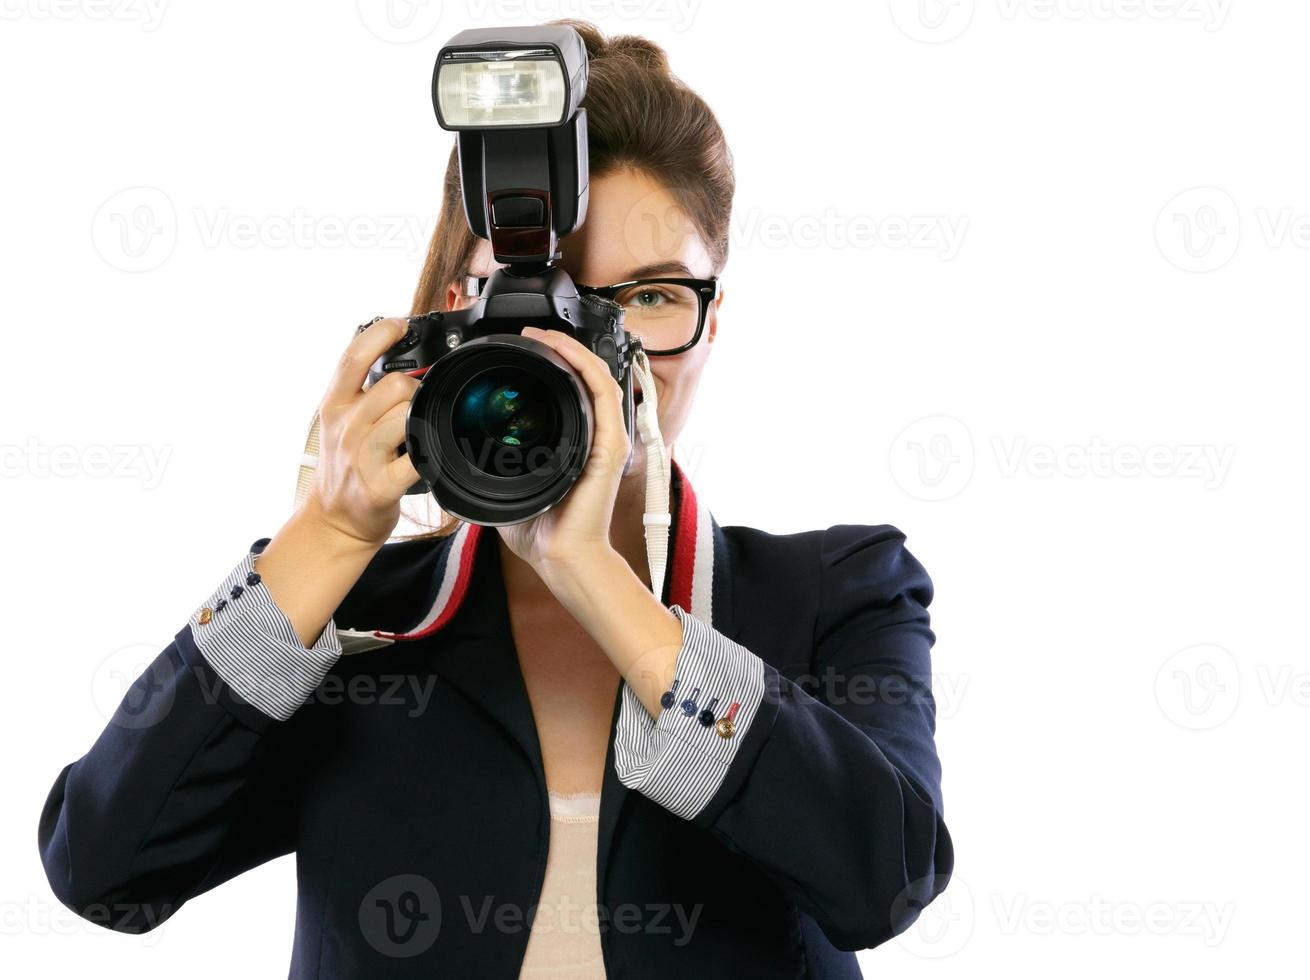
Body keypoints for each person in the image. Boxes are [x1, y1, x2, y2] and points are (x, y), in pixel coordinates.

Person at [38, 19, 953, 979]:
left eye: (647, 299)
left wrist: (594, 574)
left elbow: (882, 878)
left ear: (712, 316)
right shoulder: (351, 623)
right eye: (540, 301)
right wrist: (327, 537)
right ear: (454, 315)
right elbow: (105, 872)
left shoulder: (838, 587)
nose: (592, 356)